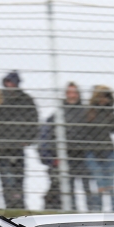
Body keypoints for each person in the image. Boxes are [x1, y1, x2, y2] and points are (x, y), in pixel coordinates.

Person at [0, 71, 38, 209]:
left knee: (16, 180)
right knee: (0, 178)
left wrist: (27, 139)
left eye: (12, 82)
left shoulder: (26, 100)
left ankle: (16, 206)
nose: (9, 85)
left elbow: (34, 121)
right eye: (7, 82)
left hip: (16, 147)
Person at [39, 82, 89, 210]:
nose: (72, 96)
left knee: (88, 189)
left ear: (79, 94)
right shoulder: (58, 113)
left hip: (84, 157)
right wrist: (52, 155)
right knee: (68, 190)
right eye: (69, 93)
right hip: (65, 157)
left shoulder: (86, 112)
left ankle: (93, 215)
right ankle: (72, 216)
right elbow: (47, 134)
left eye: (74, 92)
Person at [82, 85, 114, 212]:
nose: (103, 99)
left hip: (109, 150)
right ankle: (98, 213)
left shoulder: (110, 111)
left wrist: (109, 110)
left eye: (106, 97)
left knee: (110, 185)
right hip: (93, 152)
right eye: (101, 96)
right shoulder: (89, 111)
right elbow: (86, 130)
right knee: (99, 185)